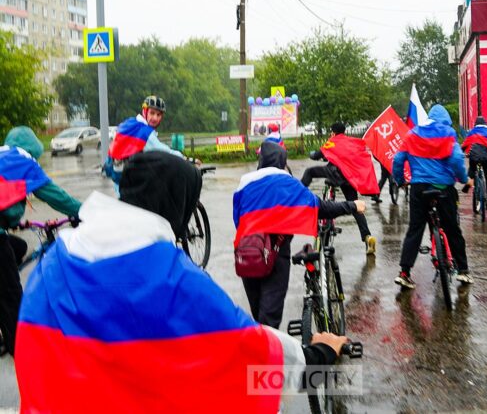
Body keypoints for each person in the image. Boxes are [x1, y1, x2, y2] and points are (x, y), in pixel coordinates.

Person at [15, 151, 348, 412]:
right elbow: (251, 356)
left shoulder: (53, 262)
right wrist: (321, 354)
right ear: (178, 204)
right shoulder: (175, 280)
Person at [235, 141, 366, 329]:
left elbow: (237, 218)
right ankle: (266, 354)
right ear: (281, 161)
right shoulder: (286, 183)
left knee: (258, 317)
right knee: (269, 321)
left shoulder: (244, 183)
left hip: (246, 254)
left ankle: (260, 348)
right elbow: (320, 208)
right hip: (275, 255)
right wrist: (353, 205)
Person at [0, 126, 81, 356]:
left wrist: (10, 217)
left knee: (19, 247)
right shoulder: (23, 161)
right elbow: (57, 197)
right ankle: (23, 353)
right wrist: (86, 211)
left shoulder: (3, 155)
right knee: (11, 296)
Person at [392, 105, 474, 289]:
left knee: (415, 229)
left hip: (418, 188)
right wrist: (464, 180)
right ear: (445, 120)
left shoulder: (412, 134)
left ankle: (404, 272)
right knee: (452, 229)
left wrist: (400, 180)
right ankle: (463, 271)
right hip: (444, 188)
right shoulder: (448, 132)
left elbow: (398, 160)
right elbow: (456, 160)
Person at [301, 122, 379, 255]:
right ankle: (367, 237)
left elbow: (317, 155)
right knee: (354, 206)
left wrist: (312, 154)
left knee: (309, 172)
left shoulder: (332, 142)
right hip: (349, 177)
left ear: (333, 132)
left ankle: (299, 196)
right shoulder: (350, 142)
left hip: (334, 174)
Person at [104, 95, 185, 190]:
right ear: (144, 111)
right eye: (152, 113)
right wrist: (187, 160)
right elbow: (164, 152)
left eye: (158, 115)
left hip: (119, 182)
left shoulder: (130, 123)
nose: (155, 118)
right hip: (132, 187)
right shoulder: (145, 132)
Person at [462, 116, 487, 211]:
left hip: (473, 156)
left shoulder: (472, 131)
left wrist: (463, 153)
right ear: (485, 123)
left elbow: (465, 144)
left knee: (472, 169)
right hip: (486, 157)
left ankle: (468, 184)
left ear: (476, 124)